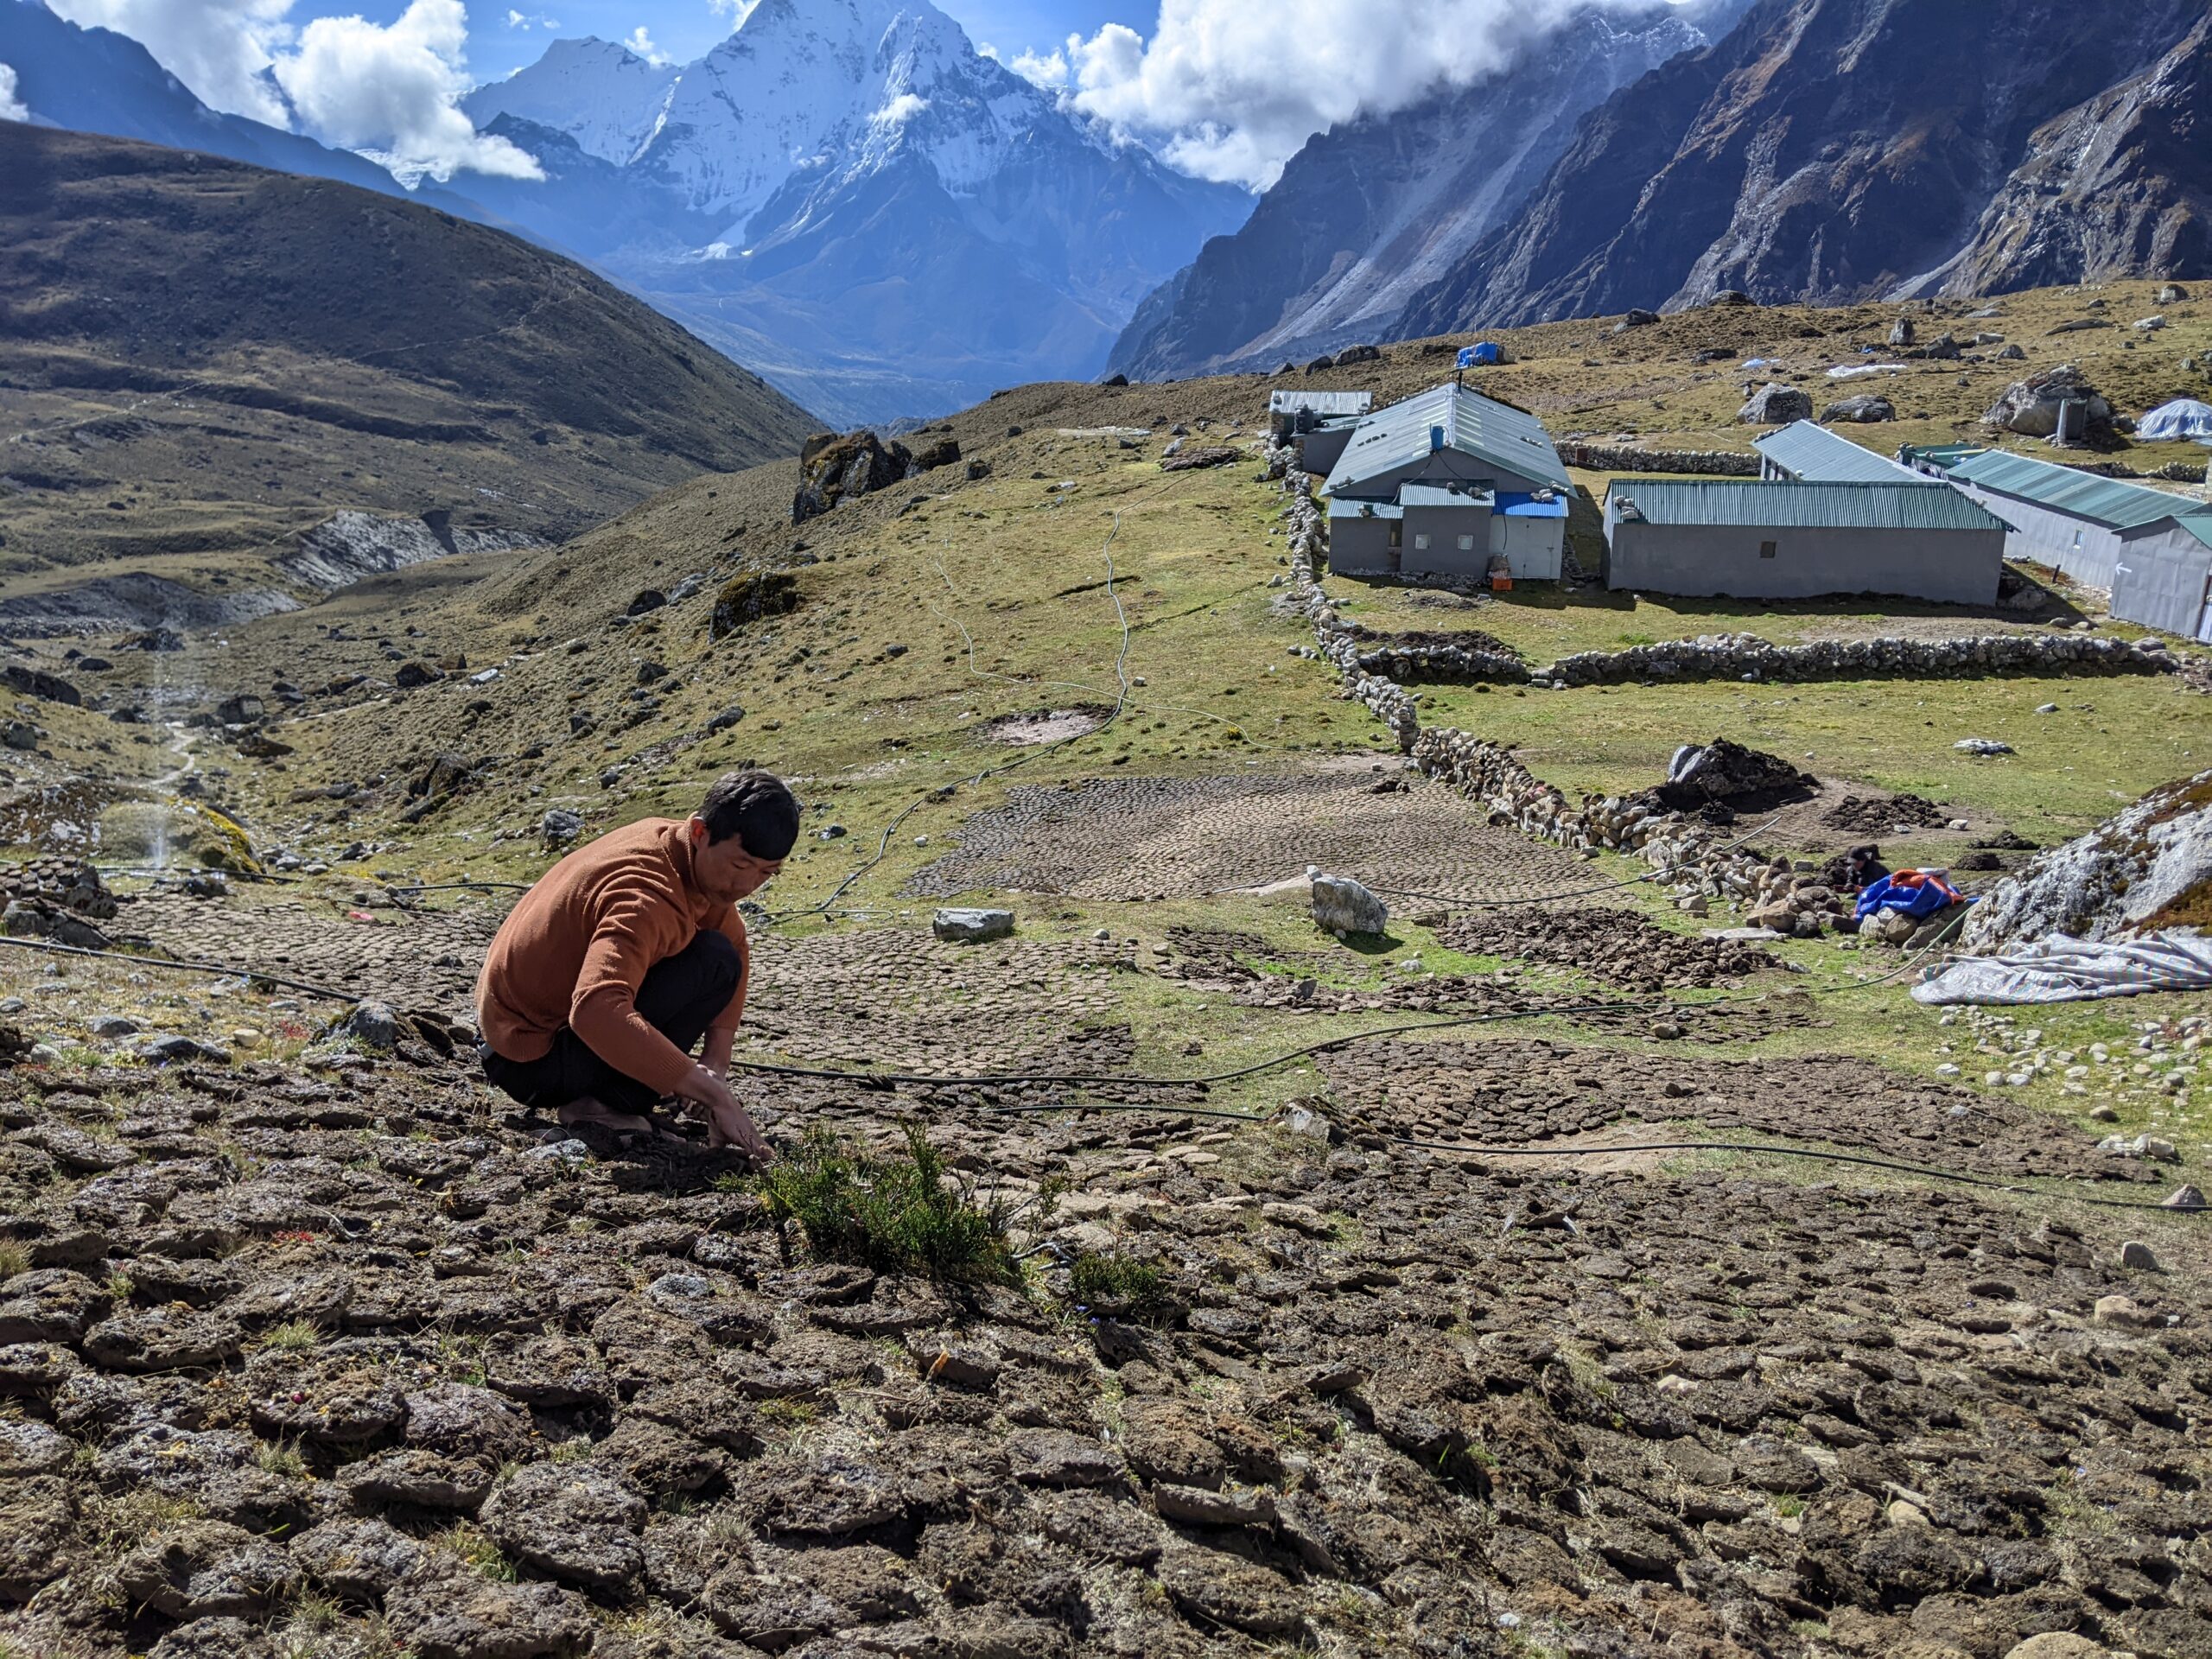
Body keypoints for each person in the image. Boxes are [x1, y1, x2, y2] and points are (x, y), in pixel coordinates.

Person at [474, 770, 798, 1162]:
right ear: (699, 832)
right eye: (741, 865)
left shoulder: (683, 856)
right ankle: (595, 1107)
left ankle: (615, 1093)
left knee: (717, 957)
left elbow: (735, 947)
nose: (749, 886)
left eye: (767, 873)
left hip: (530, 1038)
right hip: (528, 1057)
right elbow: (595, 1009)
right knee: (708, 963)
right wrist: (716, 1097)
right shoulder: (645, 895)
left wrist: (714, 1065)